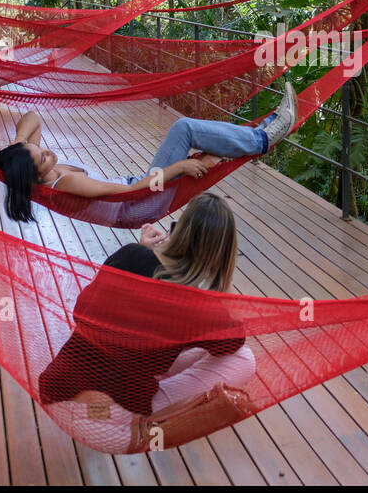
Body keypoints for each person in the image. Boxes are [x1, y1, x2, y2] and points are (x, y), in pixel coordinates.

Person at [38, 192, 257, 452]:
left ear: (179, 231)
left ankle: (140, 382)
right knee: (243, 358)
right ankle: (146, 413)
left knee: (149, 344)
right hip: (108, 424)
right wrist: (218, 290)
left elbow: (82, 310)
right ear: (223, 254)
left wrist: (144, 251)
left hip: (56, 394)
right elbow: (234, 343)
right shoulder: (199, 306)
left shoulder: (130, 254)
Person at [0, 78, 297, 223]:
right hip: (139, 201)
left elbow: (32, 118)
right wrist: (179, 170)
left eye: (40, 150)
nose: (49, 152)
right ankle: (263, 139)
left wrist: (19, 143)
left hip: (138, 192)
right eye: (43, 157)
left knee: (206, 148)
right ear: (36, 173)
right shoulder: (64, 183)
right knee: (185, 129)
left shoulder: (41, 173)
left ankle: (257, 134)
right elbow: (131, 191)